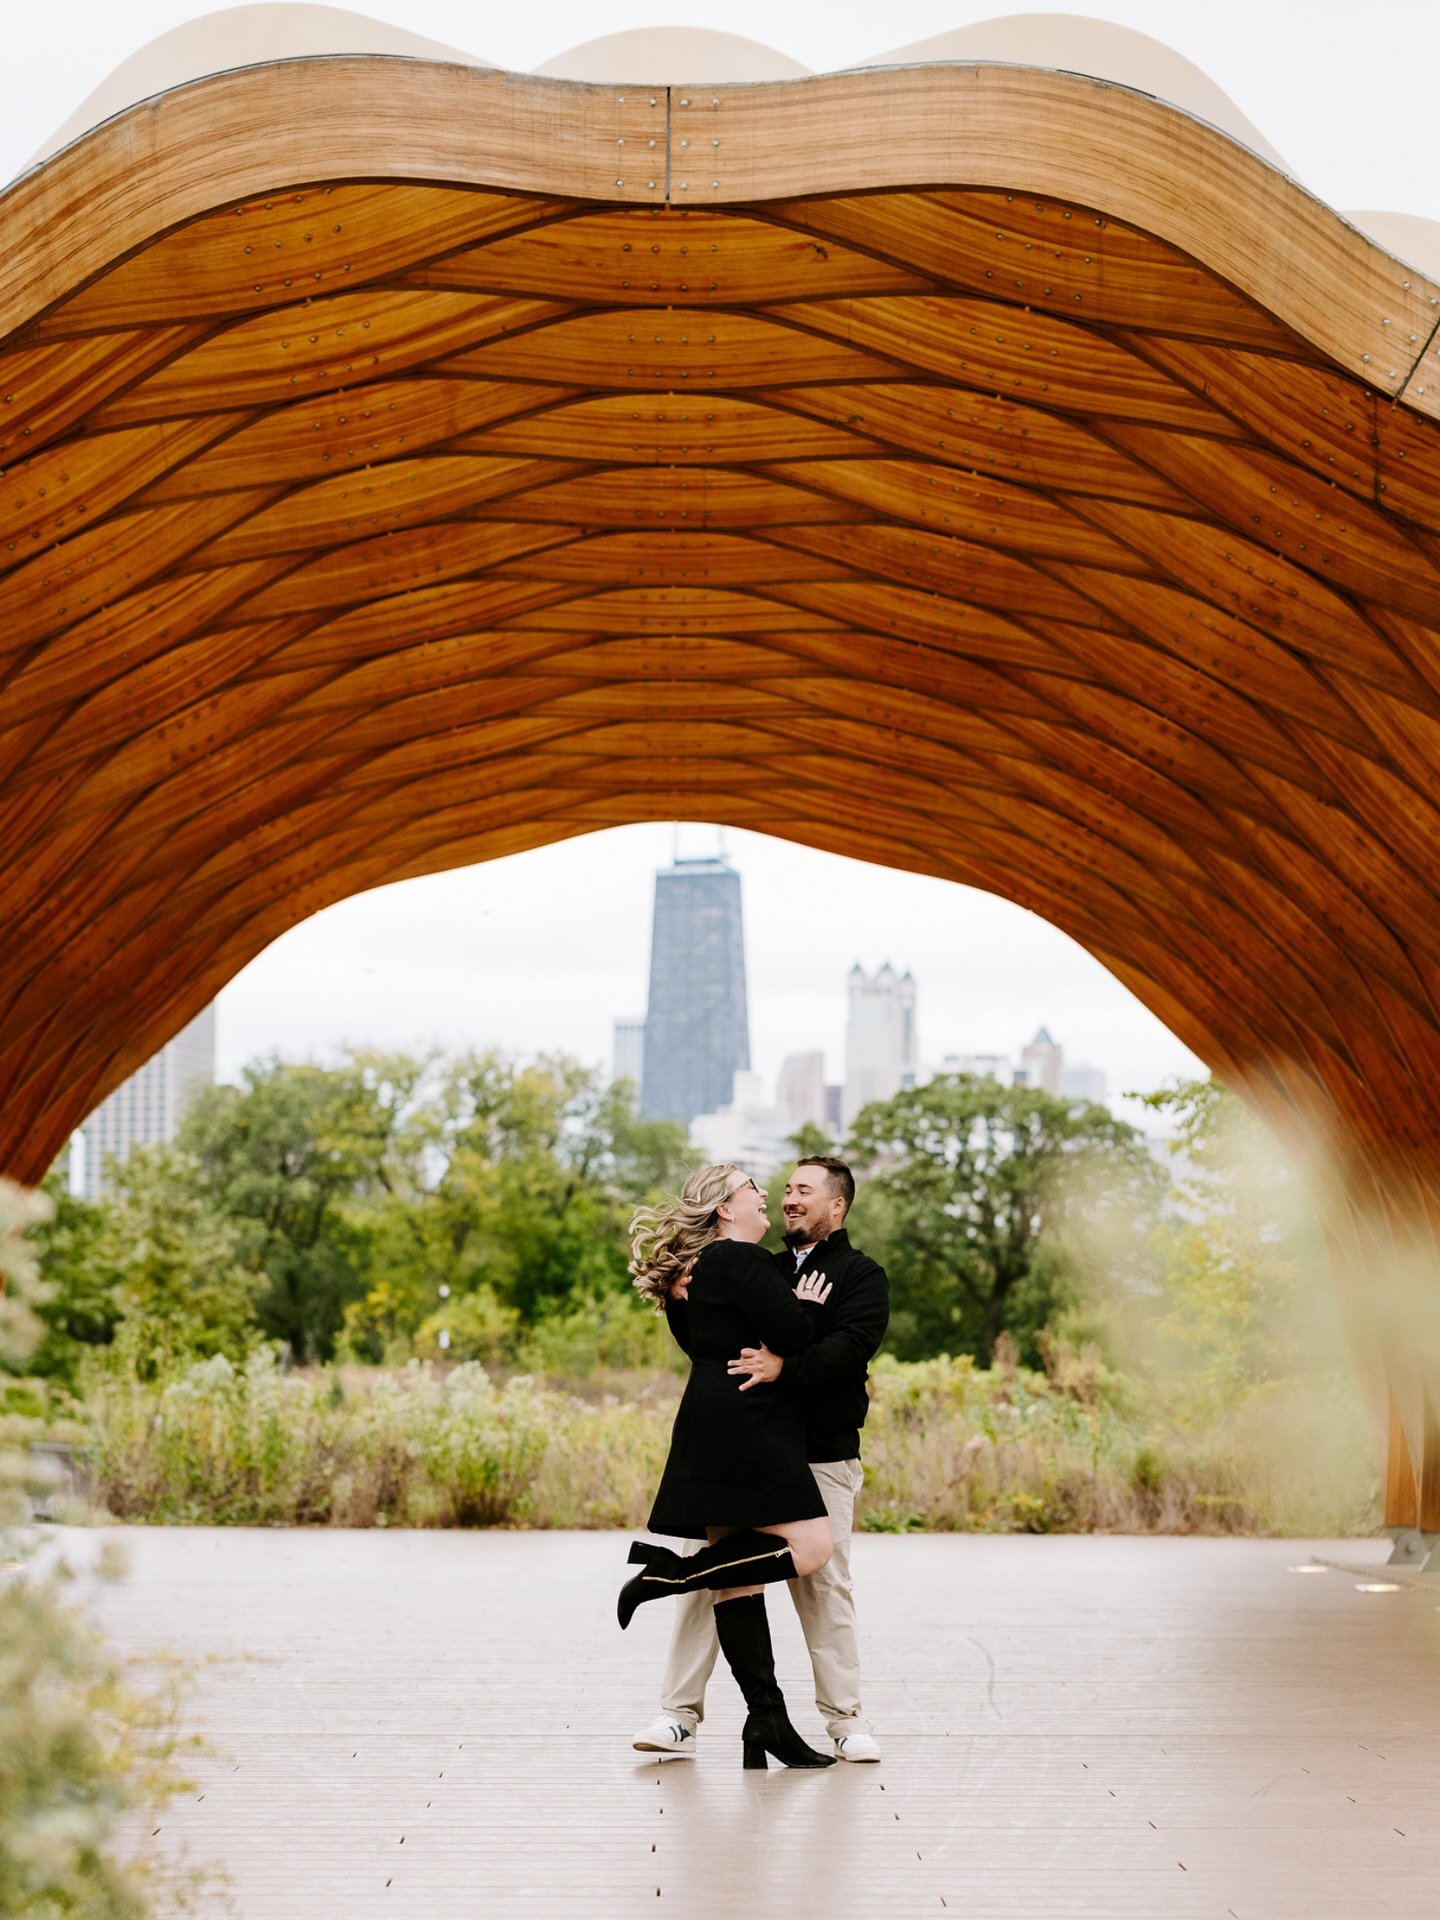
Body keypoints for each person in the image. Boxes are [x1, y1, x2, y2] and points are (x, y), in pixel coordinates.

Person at [632, 1155, 890, 1764]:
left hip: (820, 1453)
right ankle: (678, 1715)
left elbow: (848, 1351)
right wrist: (676, 1297)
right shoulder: (758, 1263)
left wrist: (783, 1366)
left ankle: (845, 1720)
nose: (788, 1198)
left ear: (838, 1205)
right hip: (750, 1448)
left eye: (803, 1191)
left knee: (823, 1584)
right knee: (714, 1578)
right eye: (784, 1189)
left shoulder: (861, 1275)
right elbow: (711, 1343)